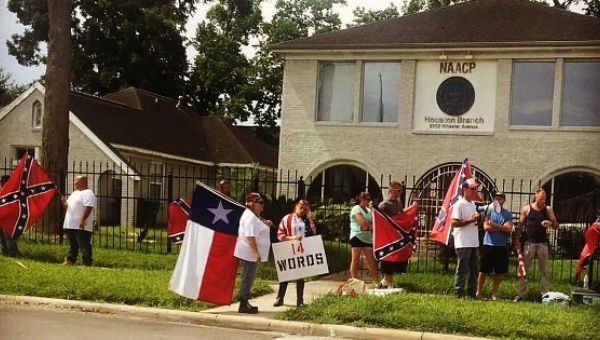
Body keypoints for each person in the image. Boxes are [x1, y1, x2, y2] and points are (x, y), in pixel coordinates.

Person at [514, 188, 558, 301]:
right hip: (529, 244)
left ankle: (545, 295)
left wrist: (550, 223)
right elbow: (520, 225)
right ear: (536, 196)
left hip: (542, 244)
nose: (544, 200)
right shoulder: (527, 209)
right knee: (524, 270)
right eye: (542, 197)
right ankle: (520, 294)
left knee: (544, 271)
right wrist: (517, 240)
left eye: (545, 198)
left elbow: (556, 224)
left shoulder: (548, 209)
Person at [273, 199, 317, 307]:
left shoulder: (306, 220)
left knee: (300, 276)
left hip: (302, 250)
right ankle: (280, 298)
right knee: (286, 274)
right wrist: (292, 238)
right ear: (296, 206)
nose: (302, 210)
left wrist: (311, 220)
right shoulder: (287, 218)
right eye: (301, 207)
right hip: (289, 248)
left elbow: (314, 233)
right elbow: (279, 234)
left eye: (305, 209)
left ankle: (300, 301)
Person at [234, 192, 273, 314]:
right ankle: (243, 304)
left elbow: (258, 225)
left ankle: (244, 302)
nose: (262, 204)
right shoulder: (250, 217)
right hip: (249, 254)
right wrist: (256, 253)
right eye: (259, 202)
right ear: (251, 204)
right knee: (248, 278)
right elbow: (251, 237)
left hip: (249, 253)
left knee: (248, 277)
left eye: (262, 201)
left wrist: (266, 223)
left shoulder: (254, 216)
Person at [377, 181, 415, 288]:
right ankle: (386, 282)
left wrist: (411, 209)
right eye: (398, 191)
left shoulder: (398, 203)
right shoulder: (384, 205)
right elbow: (380, 220)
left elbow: (402, 217)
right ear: (390, 190)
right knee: (388, 260)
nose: (400, 193)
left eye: (401, 191)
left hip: (396, 238)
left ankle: (386, 283)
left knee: (394, 261)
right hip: (388, 239)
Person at [476, 191, 513, 300]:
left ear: (504, 200)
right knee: (483, 270)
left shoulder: (507, 214)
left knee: (498, 271)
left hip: (500, 246)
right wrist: (500, 227)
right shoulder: (489, 211)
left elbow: (508, 228)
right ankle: (478, 292)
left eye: (500, 198)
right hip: (488, 245)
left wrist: (493, 225)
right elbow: (486, 228)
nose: (498, 200)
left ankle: (494, 294)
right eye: (496, 198)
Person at [450, 178, 482, 298]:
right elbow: (454, 223)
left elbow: (475, 223)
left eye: (476, 188)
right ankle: (458, 292)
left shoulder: (473, 204)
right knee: (462, 269)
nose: (475, 191)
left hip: (474, 242)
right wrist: (470, 220)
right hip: (463, 242)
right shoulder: (459, 204)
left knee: (473, 270)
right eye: (473, 188)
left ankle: (471, 294)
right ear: (464, 189)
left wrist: (479, 219)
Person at [61, 175, 97, 266]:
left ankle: (87, 262)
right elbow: (68, 206)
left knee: (84, 245)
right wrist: (64, 202)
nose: (74, 183)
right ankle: (70, 260)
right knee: (72, 244)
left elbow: (88, 207)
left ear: (83, 182)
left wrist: (82, 220)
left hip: (81, 225)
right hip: (71, 224)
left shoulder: (88, 193)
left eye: (76, 181)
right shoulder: (74, 193)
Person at [349, 191, 379, 283]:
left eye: (370, 199)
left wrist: (369, 224)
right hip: (357, 236)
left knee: (371, 260)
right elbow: (362, 222)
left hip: (367, 237)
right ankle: (354, 280)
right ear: (361, 199)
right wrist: (369, 225)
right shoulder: (356, 208)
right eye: (367, 199)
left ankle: (376, 281)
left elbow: (374, 222)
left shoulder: (369, 210)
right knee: (355, 259)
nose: (369, 201)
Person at [0, 174, 19, 257]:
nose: (1, 184)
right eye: (1, 182)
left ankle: (13, 253)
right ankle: (4, 251)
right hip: (1, 217)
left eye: (3, 182)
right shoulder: (1, 191)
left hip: (9, 218)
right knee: (2, 237)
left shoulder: (12, 192)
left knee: (9, 237)